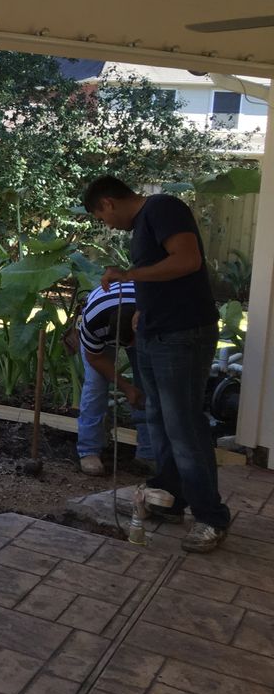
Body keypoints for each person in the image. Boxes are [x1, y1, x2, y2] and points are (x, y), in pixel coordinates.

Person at [84, 175, 230, 553]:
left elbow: (187, 260)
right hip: (155, 331)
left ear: (107, 204)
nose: (107, 225)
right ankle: (170, 499)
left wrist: (128, 274)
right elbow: (163, 277)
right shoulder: (145, 224)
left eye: (101, 217)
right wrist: (143, 312)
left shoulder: (163, 208)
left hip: (182, 334)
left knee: (184, 426)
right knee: (161, 421)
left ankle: (211, 517)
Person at [75, 281, 155, 476]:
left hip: (146, 327)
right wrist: (127, 388)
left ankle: (148, 453)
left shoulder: (152, 312)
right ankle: (89, 450)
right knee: (95, 387)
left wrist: (136, 389)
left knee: (148, 387)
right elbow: (95, 358)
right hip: (101, 323)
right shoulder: (93, 321)